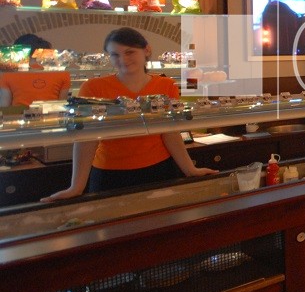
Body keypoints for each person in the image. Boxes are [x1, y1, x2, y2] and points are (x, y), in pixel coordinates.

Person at [42, 27, 215, 200]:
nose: (123, 60)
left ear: (147, 50)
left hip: (161, 169)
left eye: (129, 52)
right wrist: (76, 187)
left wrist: (190, 170)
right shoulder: (93, 87)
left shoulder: (166, 85)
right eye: (115, 55)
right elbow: (86, 139)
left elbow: (170, 133)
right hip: (109, 174)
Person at [0, 34, 71, 107]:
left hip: (19, 113)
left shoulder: (8, 74)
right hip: (52, 114)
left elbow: (4, 107)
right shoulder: (62, 73)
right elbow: (61, 106)